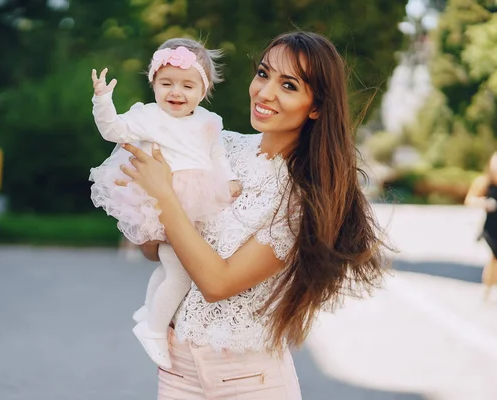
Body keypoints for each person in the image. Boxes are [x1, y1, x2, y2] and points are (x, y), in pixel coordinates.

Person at [117, 31, 389, 399]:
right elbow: (153, 250)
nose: (265, 92)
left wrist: (165, 195)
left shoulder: (304, 195)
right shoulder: (218, 145)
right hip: (177, 373)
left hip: (249, 384)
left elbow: (218, 284)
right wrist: (146, 204)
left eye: (288, 85)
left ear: (316, 106)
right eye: (263, 74)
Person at [88, 38, 242, 369]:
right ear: (153, 84)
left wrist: (228, 181)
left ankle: (149, 311)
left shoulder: (209, 121)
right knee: (182, 272)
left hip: (198, 199)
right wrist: (102, 101)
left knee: (172, 265)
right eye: (166, 83)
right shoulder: (148, 116)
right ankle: (154, 330)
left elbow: (217, 156)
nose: (176, 92)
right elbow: (113, 130)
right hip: (161, 198)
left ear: (203, 91)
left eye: (188, 85)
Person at [464, 152, 497, 300]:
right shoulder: (484, 182)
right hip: (490, 227)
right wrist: (484, 203)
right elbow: (469, 200)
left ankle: (489, 287)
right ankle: (488, 287)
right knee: (495, 257)